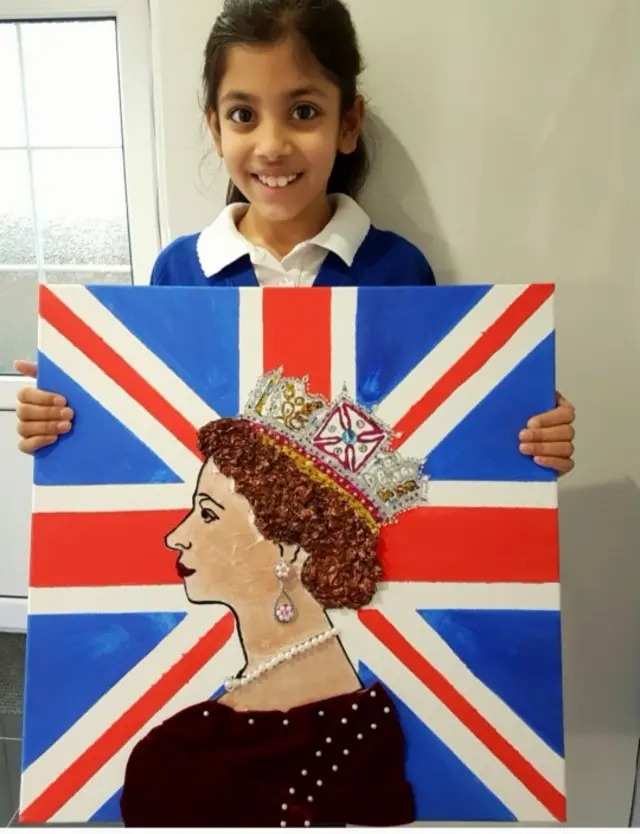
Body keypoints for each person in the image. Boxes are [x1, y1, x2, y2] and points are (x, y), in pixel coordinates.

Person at [14, 0, 576, 467]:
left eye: (303, 111)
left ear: (347, 124)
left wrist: (518, 425)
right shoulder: (179, 272)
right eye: (243, 115)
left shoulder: (398, 270)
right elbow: (155, 434)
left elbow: (420, 433)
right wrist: (73, 412)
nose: (272, 145)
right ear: (214, 127)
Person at [120, 371, 419, 828]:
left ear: (289, 547)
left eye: (207, 514)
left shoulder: (179, 755)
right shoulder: (372, 725)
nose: (176, 537)